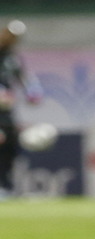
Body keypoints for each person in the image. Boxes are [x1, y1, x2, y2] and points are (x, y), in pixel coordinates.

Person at [0, 20, 42, 198]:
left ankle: (5, 188)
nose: (11, 39)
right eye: (9, 34)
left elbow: (25, 80)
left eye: (15, 37)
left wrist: (33, 93)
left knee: (10, 147)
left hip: (7, 115)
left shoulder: (13, 59)